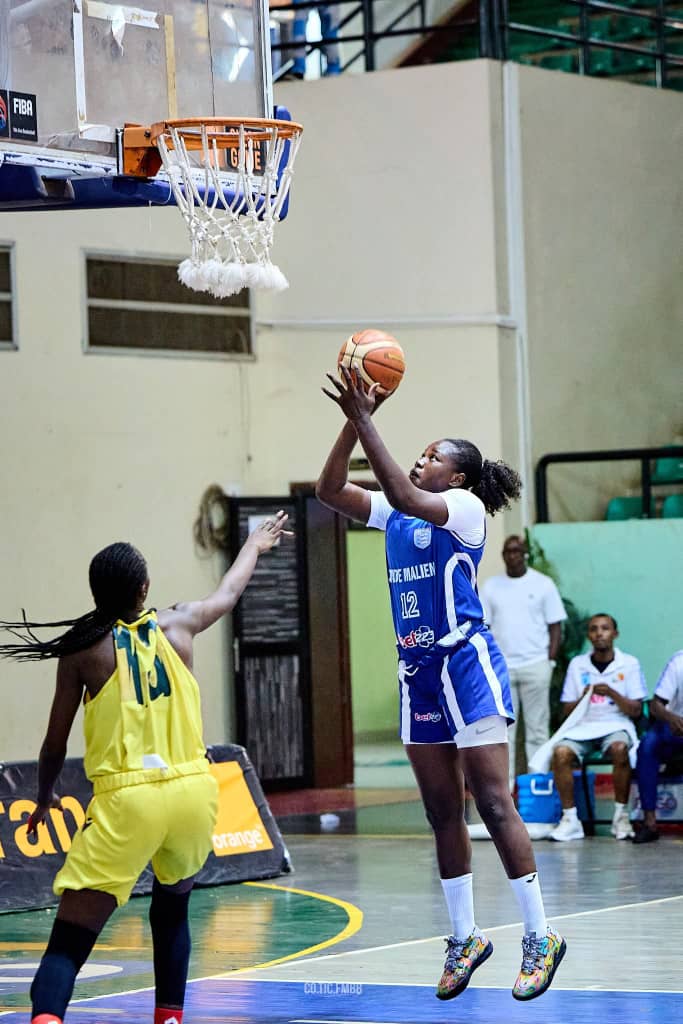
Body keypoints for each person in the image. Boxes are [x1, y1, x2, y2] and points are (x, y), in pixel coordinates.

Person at [316, 366, 566, 1003]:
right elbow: (329, 489)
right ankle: (466, 938)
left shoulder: (463, 509)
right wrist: (353, 420)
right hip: (418, 676)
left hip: (467, 667)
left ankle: (540, 935)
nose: (421, 459)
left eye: (433, 456)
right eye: (420, 453)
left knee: (492, 799)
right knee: (438, 810)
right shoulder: (397, 516)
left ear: (454, 476)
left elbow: (399, 493)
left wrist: (370, 418)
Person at [0, 515, 290, 1024]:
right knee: (173, 908)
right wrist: (253, 544)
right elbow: (229, 590)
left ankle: (47, 1019)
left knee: (70, 940)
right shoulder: (179, 623)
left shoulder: (82, 650)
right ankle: (169, 1018)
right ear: (144, 587)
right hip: (193, 792)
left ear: (96, 593)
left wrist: (44, 797)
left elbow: (53, 743)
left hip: (129, 799)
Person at [548, 613, 646, 842]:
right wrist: (582, 698)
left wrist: (612, 692)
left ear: (615, 634)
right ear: (588, 635)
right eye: (593, 629)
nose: (599, 633)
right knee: (561, 753)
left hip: (615, 725)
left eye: (605, 628)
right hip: (583, 726)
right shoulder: (577, 664)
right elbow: (566, 711)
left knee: (620, 749)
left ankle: (621, 817)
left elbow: (637, 710)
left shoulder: (629, 664)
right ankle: (570, 820)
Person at [481, 535, 566, 785]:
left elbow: (555, 627)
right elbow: (484, 626)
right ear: (503, 555)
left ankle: (537, 786)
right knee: (504, 732)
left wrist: (549, 661)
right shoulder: (491, 586)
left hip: (536, 665)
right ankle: (504, 790)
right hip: (503, 667)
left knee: (537, 730)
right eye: (508, 551)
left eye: (517, 551)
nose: (513, 555)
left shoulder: (543, 584)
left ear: (525, 554)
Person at [634, 649, 683, 844]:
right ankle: (650, 823)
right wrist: (672, 718)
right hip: (677, 727)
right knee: (648, 745)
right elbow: (656, 705)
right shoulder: (679, 662)